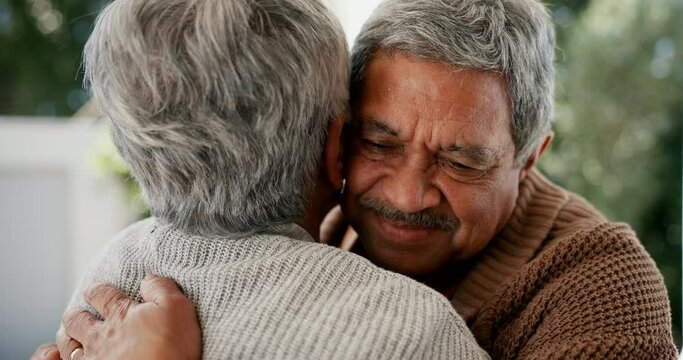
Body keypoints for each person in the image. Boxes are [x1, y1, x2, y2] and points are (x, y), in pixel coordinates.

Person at [36, 0, 679, 358]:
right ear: (335, 139)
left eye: (461, 161)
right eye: (379, 141)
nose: (405, 196)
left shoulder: (600, 286)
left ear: (531, 155)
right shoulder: (315, 236)